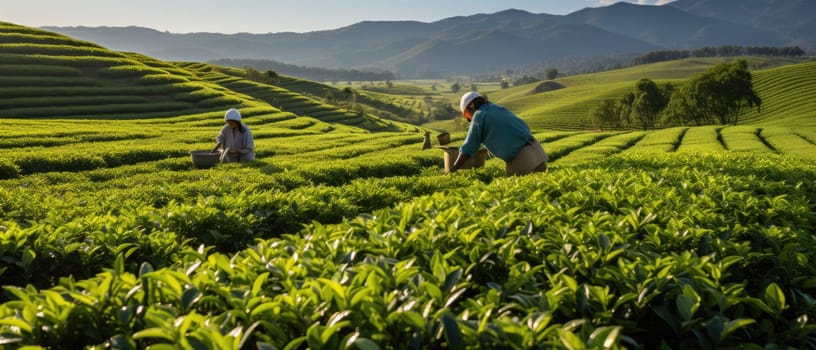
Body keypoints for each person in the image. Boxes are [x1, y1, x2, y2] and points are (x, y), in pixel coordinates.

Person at [449, 92, 547, 176]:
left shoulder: (479, 115)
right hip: (538, 153)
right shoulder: (497, 108)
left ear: (471, 107)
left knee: (514, 195)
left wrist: (453, 168)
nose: (470, 120)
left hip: (522, 160)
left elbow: (468, 147)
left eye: (468, 116)